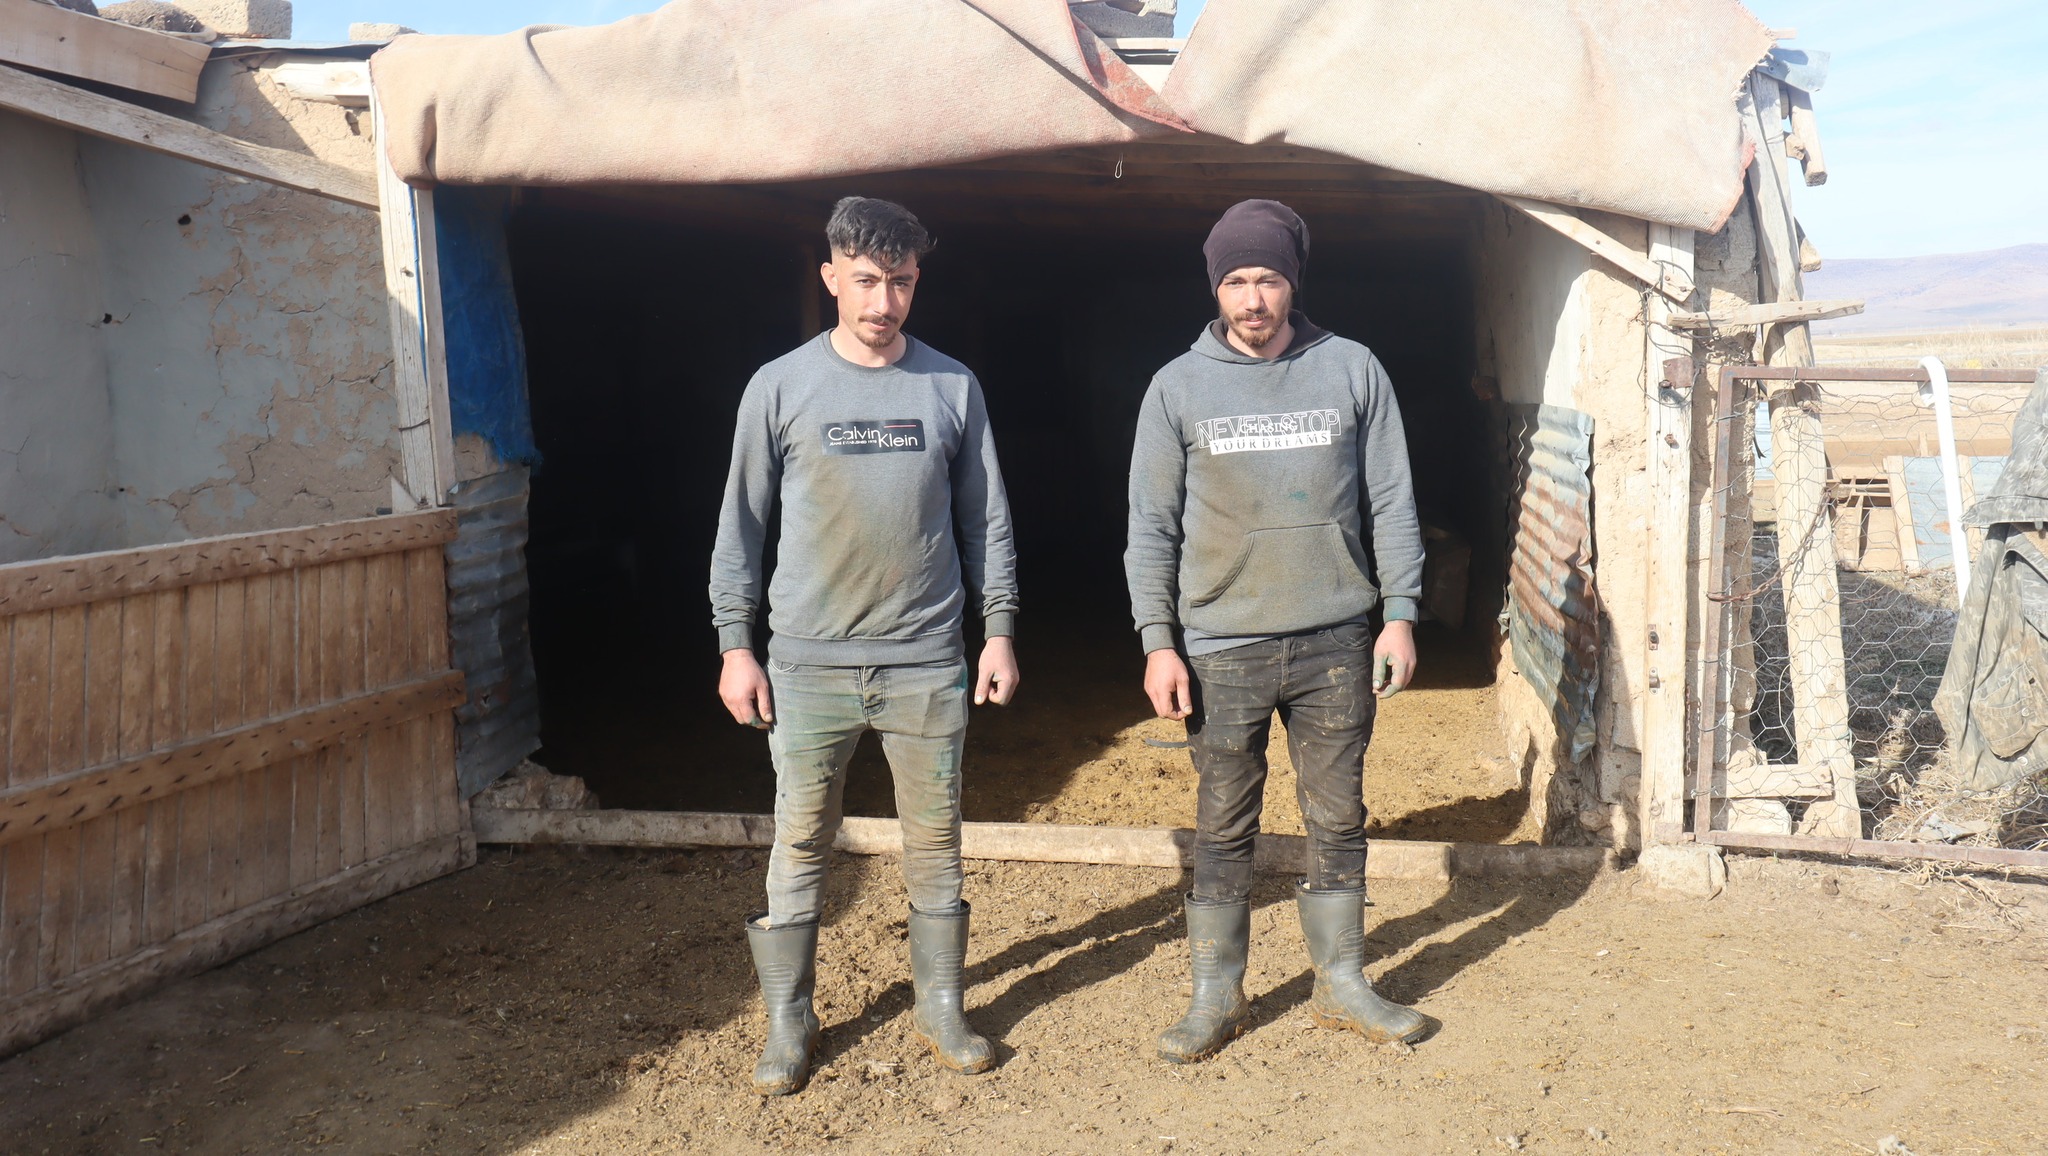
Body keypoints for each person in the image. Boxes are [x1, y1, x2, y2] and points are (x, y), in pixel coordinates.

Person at [710, 196, 1021, 1095]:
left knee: (936, 840)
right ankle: (789, 1019)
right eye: (867, 281)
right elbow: (741, 526)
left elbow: (987, 520)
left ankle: (941, 1007)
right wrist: (735, 644)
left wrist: (999, 631)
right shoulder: (779, 387)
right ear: (831, 277)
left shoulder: (951, 387)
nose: (885, 302)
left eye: (903, 282)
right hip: (809, 663)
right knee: (802, 839)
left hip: (926, 657)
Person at [1124, 198, 1432, 1063]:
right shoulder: (1176, 387)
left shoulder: (1352, 369)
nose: (1252, 298)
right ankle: (1215, 996)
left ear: (1292, 283)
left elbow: (1392, 500)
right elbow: (1151, 525)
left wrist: (1400, 615)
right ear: (1215, 288)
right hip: (1222, 642)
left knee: (1338, 816)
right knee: (1224, 822)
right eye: (1235, 281)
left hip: (1336, 635)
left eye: (1267, 279)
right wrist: (1157, 641)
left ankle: (1343, 983)